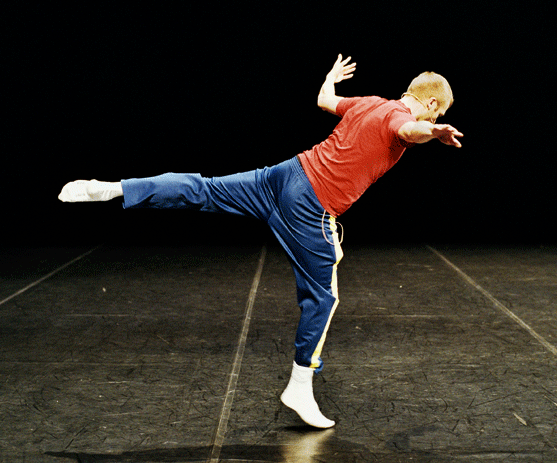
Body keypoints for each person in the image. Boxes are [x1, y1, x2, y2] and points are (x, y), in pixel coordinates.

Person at [58, 54, 463, 428]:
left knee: (204, 189)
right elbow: (408, 129)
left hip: (283, 176)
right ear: (431, 103)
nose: (436, 117)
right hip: (310, 206)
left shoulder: (370, 102)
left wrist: (330, 78)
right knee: (324, 298)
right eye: (439, 112)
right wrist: (433, 131)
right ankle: (299, 385)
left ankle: (115, 188)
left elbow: (325, 100)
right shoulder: (403, 118)